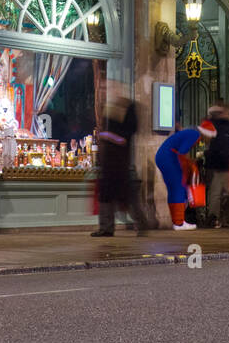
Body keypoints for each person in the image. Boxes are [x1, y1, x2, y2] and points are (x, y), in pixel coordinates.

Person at [92, 93, 149, 236]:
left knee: (125, 195)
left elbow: (124, 138)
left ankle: (141, 224)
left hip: (119, 162)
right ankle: (106, 228)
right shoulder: (113, 112)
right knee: (108, 195)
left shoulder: (126, 115)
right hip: (110, 162)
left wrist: (107, 136)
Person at [155, 120, 216, 230]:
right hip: (169, 157)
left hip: (163, 156)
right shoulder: (195, 134)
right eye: (210, 138)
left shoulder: (191, 132)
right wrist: (190, 166)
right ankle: (179, 223)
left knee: (174, 189)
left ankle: (177, 222)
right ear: (207, 134)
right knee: (179, 188)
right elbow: (182, 152)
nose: (209, 141)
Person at [203, 101, 229, 227]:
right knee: (221, 192)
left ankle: (216, 217)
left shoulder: (220, 126)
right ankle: (227, 217)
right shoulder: (222, 127)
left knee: (217, 193)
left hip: (219, 164)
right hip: (221, 165)